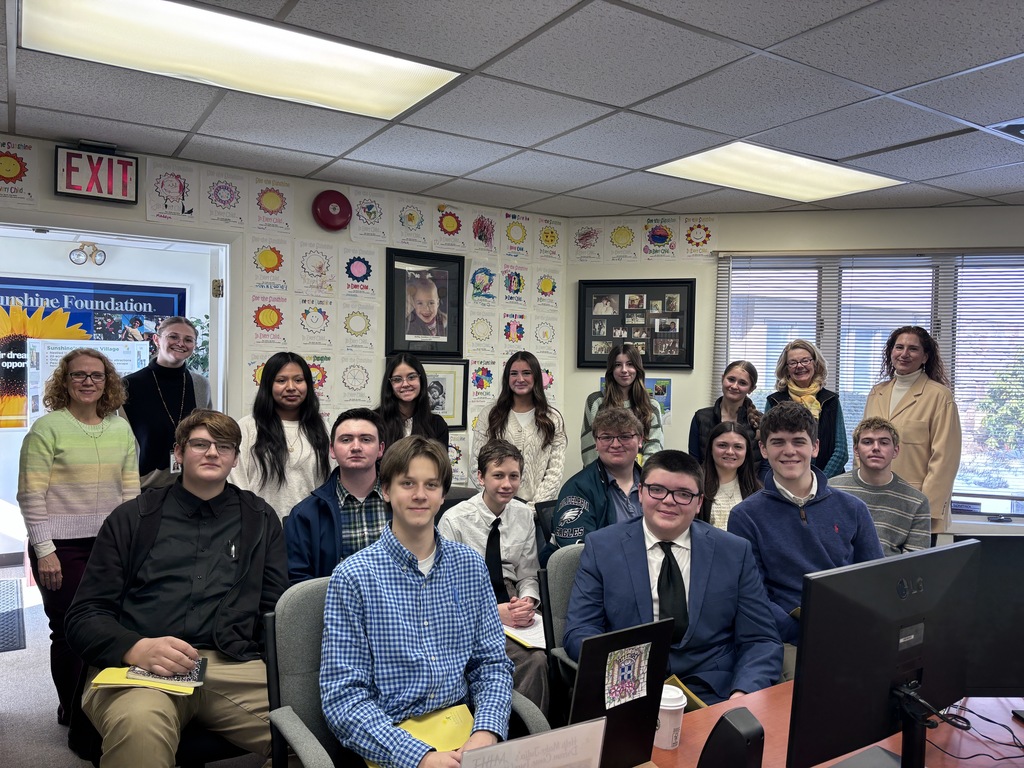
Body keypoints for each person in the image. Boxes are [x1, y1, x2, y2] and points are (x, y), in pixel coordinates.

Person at [65, 409, 288, 766]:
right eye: (200, 444)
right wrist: (135, 647)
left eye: (224, 446)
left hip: (230, 663)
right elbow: (84, 615)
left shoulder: (260, 519)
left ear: (234, 458)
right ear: (179, 453)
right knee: (140, 730)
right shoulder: (132, 518)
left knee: (319, 732)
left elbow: (274, 611)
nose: (212, 452)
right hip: (142, 666)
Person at [320, 436, 514, 768]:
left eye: (431, 485)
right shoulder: (353, 577)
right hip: (391, 739)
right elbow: (344, 698)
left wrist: (486, 731)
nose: (420, 495)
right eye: (407, 483)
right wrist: (419, 757)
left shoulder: (469, 566)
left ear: (442, 495)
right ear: (385, 490)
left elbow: (491, 664)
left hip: (465, 733)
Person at [564, 450, 782, 705]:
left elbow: (761, 639)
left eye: (683, 494)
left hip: (714, 691)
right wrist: (625, 673)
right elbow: (580, 631)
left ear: (699, 503)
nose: (668, 501)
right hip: (628, 687)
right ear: (640, 492)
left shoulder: (734, 551)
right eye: (657, 490)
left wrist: (742, 693)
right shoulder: (602, 547)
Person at [17, 348, 140, 726]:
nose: (88, 382)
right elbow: (31, 494)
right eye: (79, 375)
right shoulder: (47, 428)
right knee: (69, 629)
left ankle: (104, 709)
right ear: (64, 381)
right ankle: (73, 713)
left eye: (96, 375)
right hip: (60, 548)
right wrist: (44, 550)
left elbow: (131, 492)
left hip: (110, 545)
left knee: (110, 625)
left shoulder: (120, 429)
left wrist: (132, 543)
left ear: (108, 382)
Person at [728, 401, 883, 679]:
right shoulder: (745, 516)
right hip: (788, 636)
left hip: (849, 628)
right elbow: (753, 596)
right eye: (778, 442)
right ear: (763, 449)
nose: (789, 451)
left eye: (799, 441)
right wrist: (801, 632)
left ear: (815, 447)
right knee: (808, 688)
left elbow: (875, 579)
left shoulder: (853, 508)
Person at [439, 440, 548, 714]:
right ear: (481, 477)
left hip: (511, 597)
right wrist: (493, 613)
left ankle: (538, 727)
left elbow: (528, 574)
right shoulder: (454, 520)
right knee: (520, 661)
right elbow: (444, 591)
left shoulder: (524, 515)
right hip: (469, 603)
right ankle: (504, 724)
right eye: (498, 475)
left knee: (549, 653)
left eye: (514, 476)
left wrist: (528, 601)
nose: (506, 484)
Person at [862, 326, 962, 533]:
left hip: (915, 504)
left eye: (913, 349)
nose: (904, 354)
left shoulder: (939, 396)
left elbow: (945, 460)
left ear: (925, 357)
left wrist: (925, 508)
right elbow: (863, 446)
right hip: (874, 501)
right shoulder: (877, 392)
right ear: (891, 352)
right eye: (899, 347)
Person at [284, 408, 388, 583]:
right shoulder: (305, 515)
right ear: (332, 450)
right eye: (346, 440)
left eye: (366, 439)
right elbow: (298, 584)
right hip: (331, 600)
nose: (356, 447)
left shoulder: (404, 502)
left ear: (380, 449)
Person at [229, 351, 331, 522]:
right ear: (268, 385)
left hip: (309, 526)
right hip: (260, 526)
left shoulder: (323, 428)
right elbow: (236, 481)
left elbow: (327, 483)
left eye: (298, 380)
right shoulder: (248, 427)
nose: (291, 387)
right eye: (281, 380)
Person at [121, 316, 212, 488]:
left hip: (192, 485)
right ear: (156, 339)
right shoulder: (127, 386)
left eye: (188, 339)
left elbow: (206, 434)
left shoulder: (201, 385)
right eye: (173, 336)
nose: (180, 343)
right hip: (144, 487)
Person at [470, 351, 567, 507]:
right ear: (507, 378)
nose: (520, 379)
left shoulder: (552, 419)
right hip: (495, 509)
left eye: (527, 373)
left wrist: (532, 508)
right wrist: (498, 501)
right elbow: (476, 465)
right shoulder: (489, 415)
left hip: (535, 512)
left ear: (536, 377)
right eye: (514, 373)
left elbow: (555, 471)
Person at [829, 416, 931, 557]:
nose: (876, 448)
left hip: (889, 570)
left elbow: (914, 562)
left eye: (884, 442)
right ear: (856, 450)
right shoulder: (831, 490)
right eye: (867, 442)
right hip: (838, 570)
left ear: (895, 451)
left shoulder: (917, 502)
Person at [553, 408, 643, 548]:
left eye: (625, 436)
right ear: (596, 442)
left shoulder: (655, 484)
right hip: (606, 561)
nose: (615, 444)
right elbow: (577, 552)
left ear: (640, 440)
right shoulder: (578, 488)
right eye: (606, 437)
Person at [765, 339, 848, 477]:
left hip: (828, 480)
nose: (799, 366)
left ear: (815, 364)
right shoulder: (774, 402)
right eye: (793, 362)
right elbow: (769, 447)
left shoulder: (831, 400)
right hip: (786, 479)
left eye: (805, 361)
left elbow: (841, 452)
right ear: (786, 369)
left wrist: (820, 481)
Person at [581, 343, 664, 465]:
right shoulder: (596, 402)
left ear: (637, 369)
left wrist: (641, 475)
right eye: (618, 365)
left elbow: (654, 449)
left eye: (630, 364)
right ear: (611, 370)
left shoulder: (651, 406)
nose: (624, 370)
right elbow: (590, 449)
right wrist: (602, 475)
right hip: (602, 474)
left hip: (640, 474)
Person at [688, 360, 762, 464]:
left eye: (742, 383)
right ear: (722, 379)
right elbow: (694, 463)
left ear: (751, 389)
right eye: (731, 379)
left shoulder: (761, 422)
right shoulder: (701, 418)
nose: (734, 386)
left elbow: (764, 464)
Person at [376, 352, 449, 452]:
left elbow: (440, 461)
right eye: (397, 379)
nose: (405, 384)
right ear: (390, 385)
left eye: (411, 377)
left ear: (421, 380)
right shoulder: (375, 421)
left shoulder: (437, 424)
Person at [699, 421, 762, 530]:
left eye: (738, 447)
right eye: (722, 445)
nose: (730, 452)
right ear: (710, 449)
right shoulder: (695, 487)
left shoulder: (757, 491)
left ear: (746, 452)